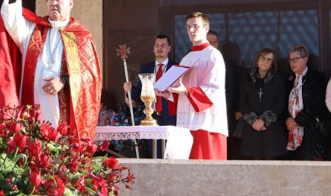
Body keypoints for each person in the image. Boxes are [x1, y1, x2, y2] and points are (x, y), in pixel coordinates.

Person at [0, 0, 102, 140]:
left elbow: (91, 76)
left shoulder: (79, 36)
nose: (54, 2)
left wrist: (64, 81)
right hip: (32, 108)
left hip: (63, 112)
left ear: (70, 4)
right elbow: (9, 17)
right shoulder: (33, 30)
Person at [162, 12, 228, 160]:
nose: (191, 30)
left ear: (206, 28)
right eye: (188, 27)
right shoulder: (186, 58)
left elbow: (214, 89)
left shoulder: (213, 55)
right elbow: (181, 88)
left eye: (195, 26)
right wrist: (168, 93)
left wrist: (185, 91)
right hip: (185, 123)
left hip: (205, 122)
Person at [123, 34, 176, 158]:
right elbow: (139, 94)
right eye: (157, 45)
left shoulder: (176, 67)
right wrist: (128, 91)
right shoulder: (146, 68)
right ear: (153, 48)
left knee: (171, 155)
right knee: (155, 155)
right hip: (150, 117)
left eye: (163, 45)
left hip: (171, 117)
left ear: (169, 48)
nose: (159, 48)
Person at [239, 48, 287, 159]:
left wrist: (264, 120)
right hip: (252, 128)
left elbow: (279, 103)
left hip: (270, 128)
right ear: (257, 60)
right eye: (263, 58)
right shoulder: (247, 79)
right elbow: (242, 102)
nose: (265, 61)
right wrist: (254, 121)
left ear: (272, 64)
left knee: (270, 163)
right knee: (255, 162)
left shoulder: (277, 80)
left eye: (269, 60)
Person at [285, 44, 330, 160]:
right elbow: (283, 103)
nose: (292, 63)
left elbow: (316, 104)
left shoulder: (316, 77)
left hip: (312, 130)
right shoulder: (289, 79)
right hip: (292, 131)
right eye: (290, 60)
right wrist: (288, 119)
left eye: (295, 59)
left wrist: (298, 121)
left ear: (305, 59)